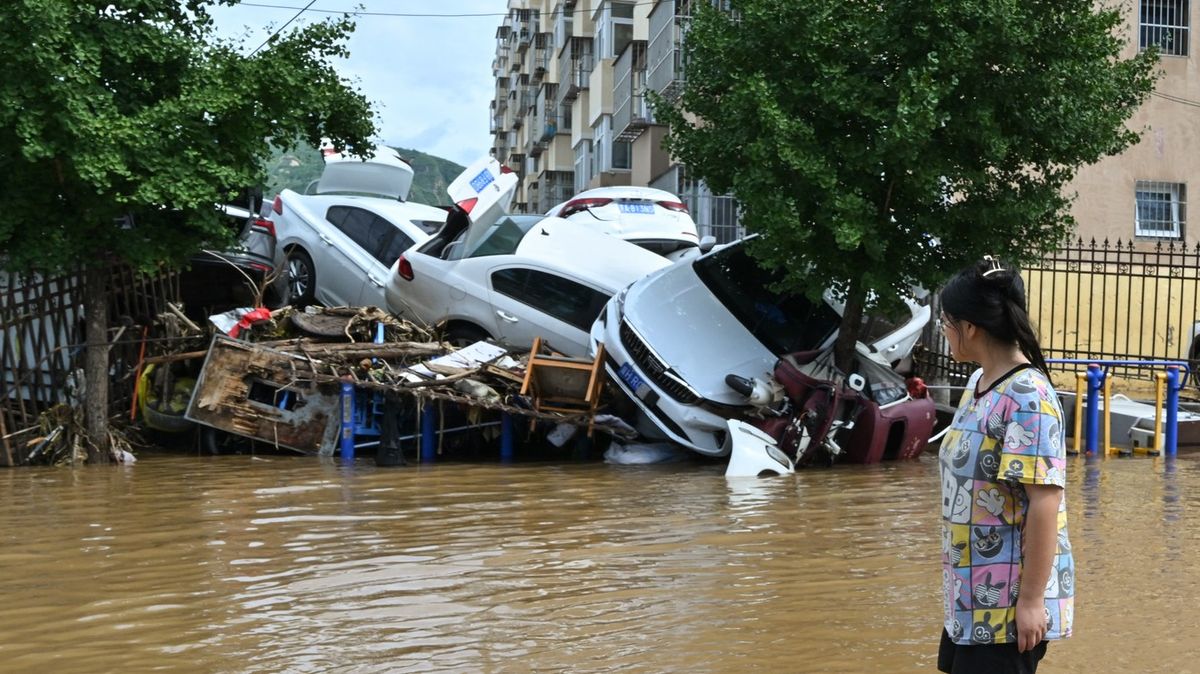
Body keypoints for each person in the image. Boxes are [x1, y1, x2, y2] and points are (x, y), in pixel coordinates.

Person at [935, 256, 1074, 674]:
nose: (944, 332)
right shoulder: (978, 386)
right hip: (969, 595)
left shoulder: (1028, 397)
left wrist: (1031, 601)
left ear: (970, 328)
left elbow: (1045, 502)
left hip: (1007, 606)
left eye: (946, 322)